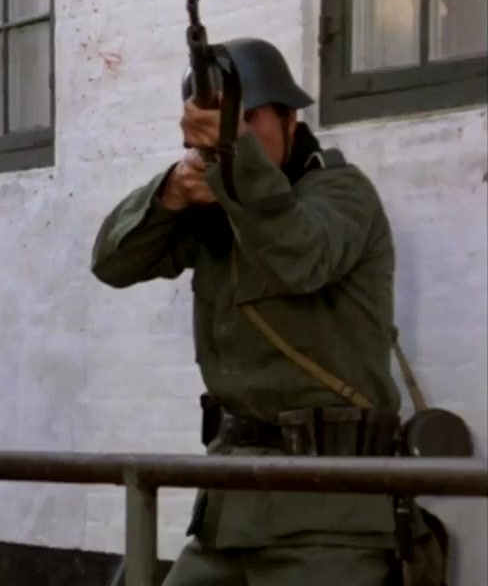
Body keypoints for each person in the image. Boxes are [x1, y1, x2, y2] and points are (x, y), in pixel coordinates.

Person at [91, 38, 404, 586]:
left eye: (250, 119)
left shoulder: (341, 193)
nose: (238, 136)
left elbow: (299, 258)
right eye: (225, 125)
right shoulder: (216, 208)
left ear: (290, 120)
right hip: (230, 507)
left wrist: (236, 168)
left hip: (329, 515)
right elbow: (112, 264)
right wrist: (172, 192)